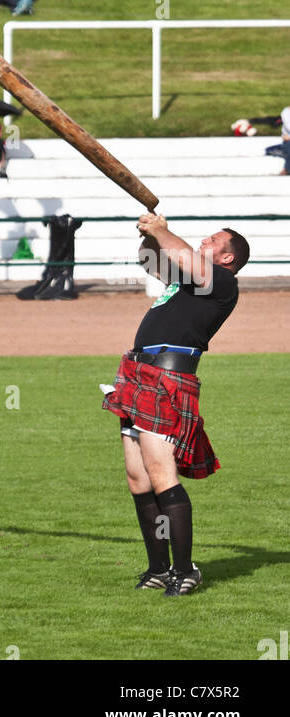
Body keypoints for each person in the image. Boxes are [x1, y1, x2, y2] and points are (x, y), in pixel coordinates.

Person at [102, 213, 250, 596]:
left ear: (227, 258)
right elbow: (150, 259)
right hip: (138, 372)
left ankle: (185, 570)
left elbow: (183, 253)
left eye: (212, 240)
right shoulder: (187, 279)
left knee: (161, 472)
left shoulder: (221, 281)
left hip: (169, 378)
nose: (205, 241)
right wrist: (150, 236)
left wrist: (161, 229)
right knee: (138, 477)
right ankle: (158, 568)